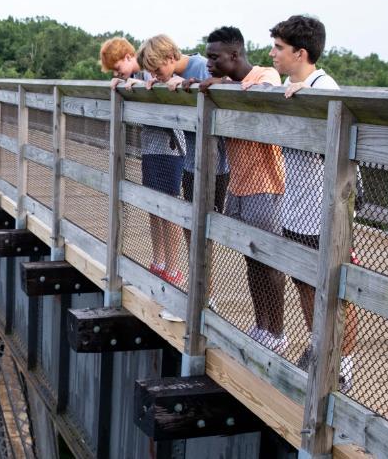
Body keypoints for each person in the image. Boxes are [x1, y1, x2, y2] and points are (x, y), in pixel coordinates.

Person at [271, 15, 359, 390]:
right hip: (297, 206)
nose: (272, 54)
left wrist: (307, 100)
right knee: (305, 283)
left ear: (300, 53)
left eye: (279, 48)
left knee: (337, 290)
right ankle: (318, 346)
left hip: (325, 211)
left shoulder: (325, 86)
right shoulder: (291, 84)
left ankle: (344, 363)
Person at [198, 26, 288, 353]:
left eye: (214, 57)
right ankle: (261, 325)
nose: (208, 63)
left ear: (234, 56)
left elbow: (263, 90)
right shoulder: (227, 83)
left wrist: (224, 84)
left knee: (269, 261)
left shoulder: (265, 74)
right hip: (239, 183)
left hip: (266, 184)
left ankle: (277, 333)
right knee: (252, 258)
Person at [100, 36, 186, 285]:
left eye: (119, 68)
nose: (119, 73)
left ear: (129, 57)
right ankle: (158, 260)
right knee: (153, 205)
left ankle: (173, 266)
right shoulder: (142, 77)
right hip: (151, 148)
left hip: (170, 149)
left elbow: (171, 87)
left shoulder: (156, 74)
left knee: (168, 208)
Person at [140, 35, 212, 284]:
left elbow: (214, 99)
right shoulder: (164, 76)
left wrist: (187, 88)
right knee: (175, 215)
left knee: (197, 226)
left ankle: (198, 288)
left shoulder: (201, 66)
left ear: (171, 58)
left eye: (157, 70)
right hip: (190, 158)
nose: (155, 75)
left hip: (204, 159)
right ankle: (178, 274)